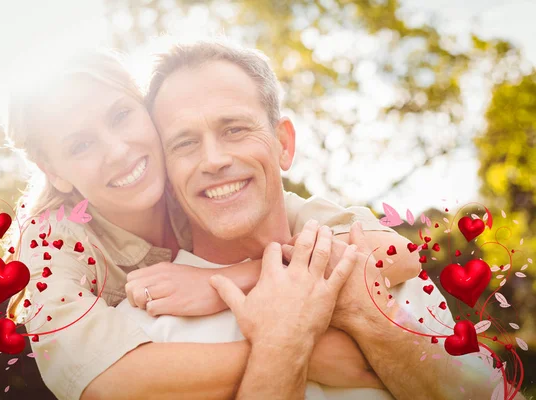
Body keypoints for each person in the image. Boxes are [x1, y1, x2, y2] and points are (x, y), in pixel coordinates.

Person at [5, 49, 417, 400]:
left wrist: (223, 281)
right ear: (54, 171)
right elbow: (103, 379)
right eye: (80, 145)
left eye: (121, 116)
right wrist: (302, 349)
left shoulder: (204, 181)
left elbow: (395, 254)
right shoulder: (48, 244)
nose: (118, 150)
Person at [116, 40, 509, 400]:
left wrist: (357, 306)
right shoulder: (140, 335)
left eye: (234, 129)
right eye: (184, 143)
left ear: (283, 145)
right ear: (165, 174)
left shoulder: (377, 265)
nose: (214, 159)